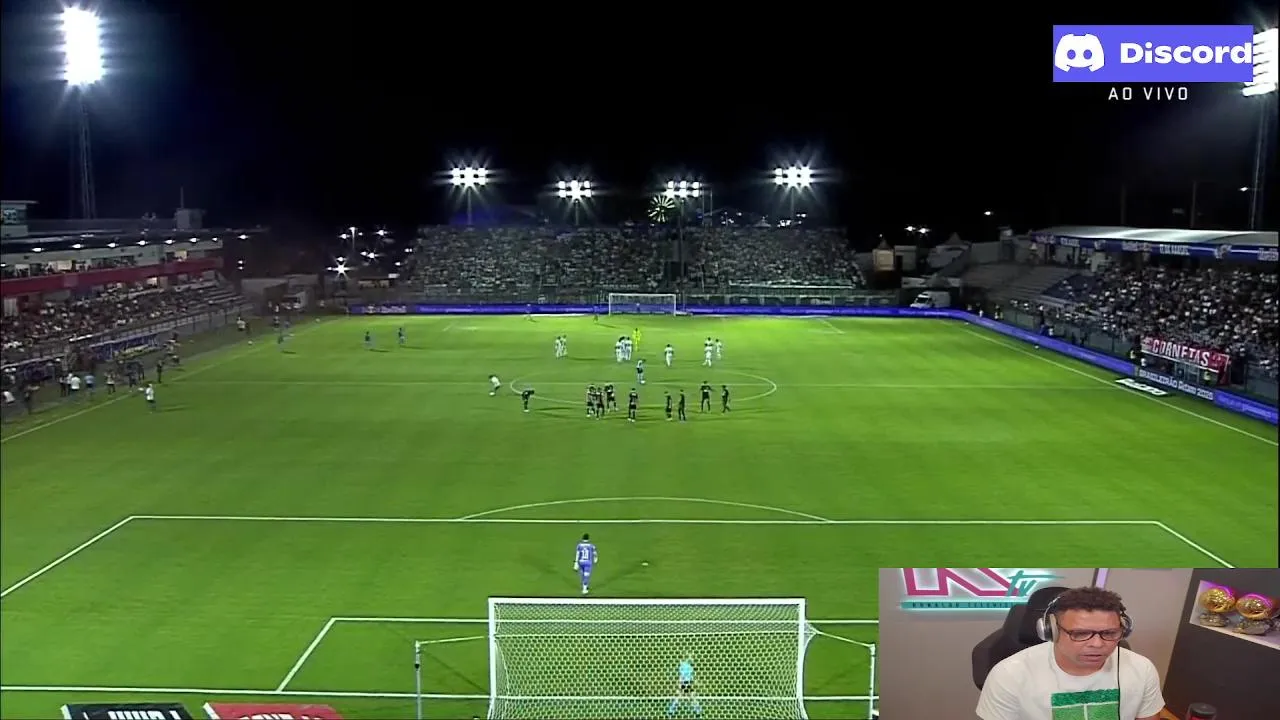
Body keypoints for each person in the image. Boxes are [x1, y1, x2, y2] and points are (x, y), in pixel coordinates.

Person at [976, 586, 1164, 720]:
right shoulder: (1009, 675)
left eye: (1109, 633)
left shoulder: (1142, 669)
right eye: (1080, 634)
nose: (1097, 644)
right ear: (1051, 632)